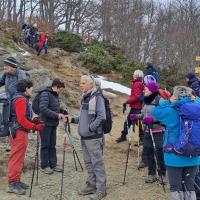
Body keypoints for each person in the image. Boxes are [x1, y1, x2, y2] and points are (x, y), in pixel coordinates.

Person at [152, 86, 200, 200]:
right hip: (194, 155)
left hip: (173, 155)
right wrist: (194, 99)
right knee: (190, 187)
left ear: (175, 95)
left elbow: (156, 112)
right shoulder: (198, 110)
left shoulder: (170, 110)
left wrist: (169, 101)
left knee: (176, 187)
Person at [70, 75, 107, 200]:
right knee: (88, 163)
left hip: (94, 137)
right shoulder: (85, 97)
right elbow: (84, 117)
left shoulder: (97, 97)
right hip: (85, 137)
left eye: (83, 83)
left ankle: (101, 190)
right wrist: (73, 119)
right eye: (80, 83)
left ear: (91, 84)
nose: (81, 85)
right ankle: (91, 185)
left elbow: (102, 116)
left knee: (97, 163)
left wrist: (90, 128)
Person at [7, 79, 45, 195]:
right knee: (17, 158)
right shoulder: (20, 99)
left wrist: (32, 121)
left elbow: (22, 118)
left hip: (17, 131)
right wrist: (35, 127)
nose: (32, 90)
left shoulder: (19, 98)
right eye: (31, 88)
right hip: (19, 132)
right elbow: (21, 119)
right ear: (26, 89)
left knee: (19, 157)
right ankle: (12, 183)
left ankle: (16, 180)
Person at [130, 82, 166, 183]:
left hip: (157, 130)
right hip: (147, 129)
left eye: (145, 89)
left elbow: (164, 115)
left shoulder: (160, 100)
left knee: (159, 152)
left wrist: (153, 119)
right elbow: (143, 114)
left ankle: (162, 174)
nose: (143, 90)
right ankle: (151, 174)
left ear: (151, 90)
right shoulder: (145, 100)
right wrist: (136, 116)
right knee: (148, 151)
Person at [39, 78, 67, 174]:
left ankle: (53, 164)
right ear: (56, 86)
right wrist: (57, 115)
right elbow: (43, 108)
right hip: (45, 124)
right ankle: (44, 165)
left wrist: (62, 109)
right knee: (45, 145)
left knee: (52, 144)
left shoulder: (55, 95)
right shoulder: (45, 93)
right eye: (61, 89)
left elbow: (54, 107)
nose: (61, 91)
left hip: (53, 124)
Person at [116, 69, 144, 143]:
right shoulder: (140, 83)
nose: (133, 75)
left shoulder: (137, 84)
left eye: (134, 74)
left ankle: (124, 136)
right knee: (138, 122)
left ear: (137, 76)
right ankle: (142, 138)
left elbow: (136, 96)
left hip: (136, 107)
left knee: (129, 121)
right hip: (138, 106)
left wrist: (127, 102)